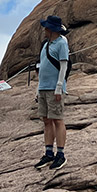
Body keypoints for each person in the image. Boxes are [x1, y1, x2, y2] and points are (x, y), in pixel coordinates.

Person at [33, 15, 69, 171]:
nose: (44, 30)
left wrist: (59, 86)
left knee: (57, 119)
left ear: (51, 29)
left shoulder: (61, 43)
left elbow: (63, 66)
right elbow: (42, 67)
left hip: (54, 87)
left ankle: (60, 154)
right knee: (46, 120)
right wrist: (38, 88)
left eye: (46, 28)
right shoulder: (46, 44)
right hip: (43, 87)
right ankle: (49, 152)